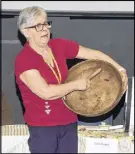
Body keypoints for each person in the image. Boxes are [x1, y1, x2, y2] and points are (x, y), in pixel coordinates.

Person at [14, 6, 128, 153]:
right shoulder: (24, 59)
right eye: (38, 26)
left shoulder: (58, 45)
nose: (44, 29)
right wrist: (76, 85)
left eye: (46, 23)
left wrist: (118, 68)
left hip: (69, 122)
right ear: (26, 31)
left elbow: (94, 54)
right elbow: (45, 92)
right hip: (43, 128)